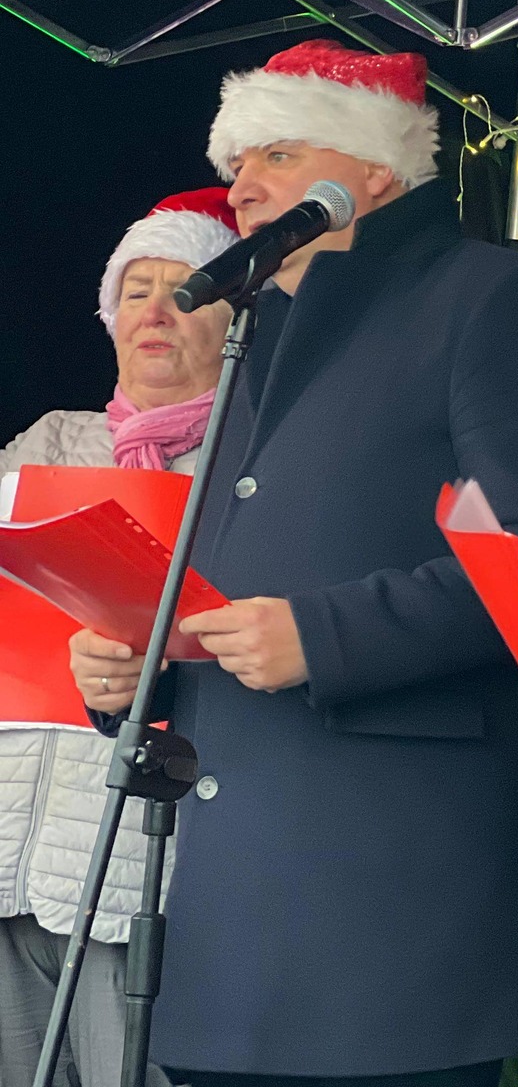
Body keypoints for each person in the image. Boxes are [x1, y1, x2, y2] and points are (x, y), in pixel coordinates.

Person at [66, 40, 518, 1087]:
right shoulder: (256, 334)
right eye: (235, 161)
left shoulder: (493, 300)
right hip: (235, 917)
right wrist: (138, 677)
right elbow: (240, 570)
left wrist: (324, 636)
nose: (242, 185)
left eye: (275, 152)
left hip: (396, 910)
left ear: (375, 170)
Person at [1, 189, 239, 1087]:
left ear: (231, 322)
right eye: (136, 289)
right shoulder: (51, 439)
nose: (155, 310)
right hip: (10, 826)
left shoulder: (251, 456)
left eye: (185, 290)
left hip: (140, 847)